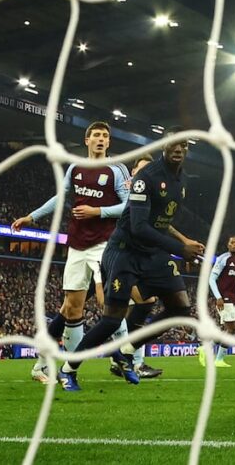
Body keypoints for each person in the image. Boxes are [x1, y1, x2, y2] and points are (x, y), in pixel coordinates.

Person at [57, 131, 205, 391]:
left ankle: (124, 352)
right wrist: (179, 249)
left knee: (180, 308)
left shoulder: (181, 179)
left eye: (183, 144)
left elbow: (162, 222)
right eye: (173, 143)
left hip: (153, 254)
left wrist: (183, 241)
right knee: (112, 319)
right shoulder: (145, 178)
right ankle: (69, 369)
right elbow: (138, 226)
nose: (178, 148)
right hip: (124, 252)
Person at [12, 121, 130, 383]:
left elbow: (128, 205)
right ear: (86, 140)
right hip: (76, 245)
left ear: (109, 143)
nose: (100, 139)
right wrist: (32, 217)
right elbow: (61, 197)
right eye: (96, 135)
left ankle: (121, 358)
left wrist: (97, 211)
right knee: (71, 309)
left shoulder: (117, 169)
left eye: (105, 136)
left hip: (104, 245)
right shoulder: (75, 168)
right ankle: (47, 367)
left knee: (106, 302)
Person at [108, 154, 165, 379]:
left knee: (135, 306)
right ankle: (129, 360)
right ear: (133, 172)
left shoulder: (150, 195)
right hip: (116, 254)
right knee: (139, 304)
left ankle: (121, 359)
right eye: (142, 169)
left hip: (136, 255)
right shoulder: (128, 190)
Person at [199, 235, 235, 367]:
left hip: (233, 299)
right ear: (228, 245)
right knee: (232, 329)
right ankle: (218, 359)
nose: (234, 245)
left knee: (227, 330)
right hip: (224, 298)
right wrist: (218, 297)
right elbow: (211, 278)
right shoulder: (223, 259)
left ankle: (206, 349)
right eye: (232, 243)